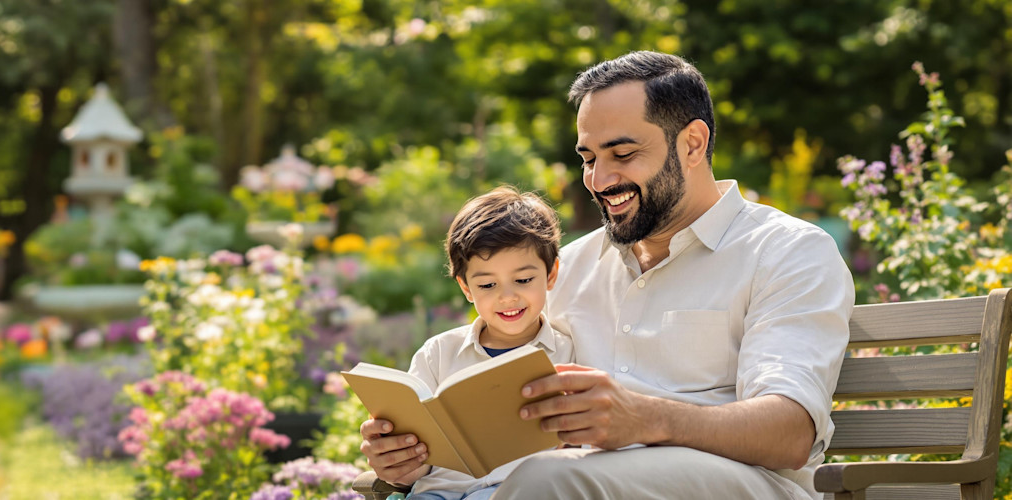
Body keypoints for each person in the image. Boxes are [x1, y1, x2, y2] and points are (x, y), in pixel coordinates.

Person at [360, 51, 854, 499]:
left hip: (741, 482)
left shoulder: (787, 252)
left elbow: (791, 433)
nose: (599, 180)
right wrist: (409, 456)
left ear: (693, 143)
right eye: (589, 159)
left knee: (545, 479)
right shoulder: (568, 268)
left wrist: (643, 418)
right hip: (580, 480)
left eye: (623, 154)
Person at [363, 186, 575, 500]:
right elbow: (420, 455)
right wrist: (401, 461)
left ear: (551, 274)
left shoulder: (569, 352)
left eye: (524, 280)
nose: (507, 296)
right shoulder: (438, 353)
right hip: (435, 493)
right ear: (466, 288)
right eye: (487, 284)